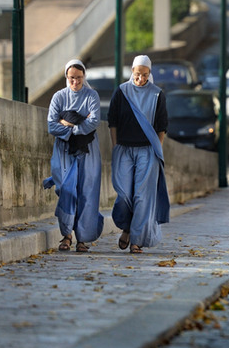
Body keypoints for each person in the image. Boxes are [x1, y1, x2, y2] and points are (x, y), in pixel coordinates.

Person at [108, 54, 170, 254]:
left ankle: (136, 239)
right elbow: (112, 121)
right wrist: (116, 145)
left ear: (149, 73)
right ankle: (126, 226)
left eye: (144, 75)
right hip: (124, 149)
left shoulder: (157, 94)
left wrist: (156, 148)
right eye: (137, 74)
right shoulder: (122, 92)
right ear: (132, 72)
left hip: (147, 150)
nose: (140, 78)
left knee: (142, 196)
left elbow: (162, 126)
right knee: (125, 193)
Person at [46, 59, 104, 253]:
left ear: (83, 77)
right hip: (63, 151)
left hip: (88, 150)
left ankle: (82, 239)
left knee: (86, 191)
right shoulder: (58, 97)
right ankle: (66, 235)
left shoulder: (91, 95)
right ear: (66, 77)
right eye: (72, 78)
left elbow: (94, 121)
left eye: (79, 78)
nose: (75, 83)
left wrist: (68, 123)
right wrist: (79, 125)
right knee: (66, 190)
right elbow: (51, 125)